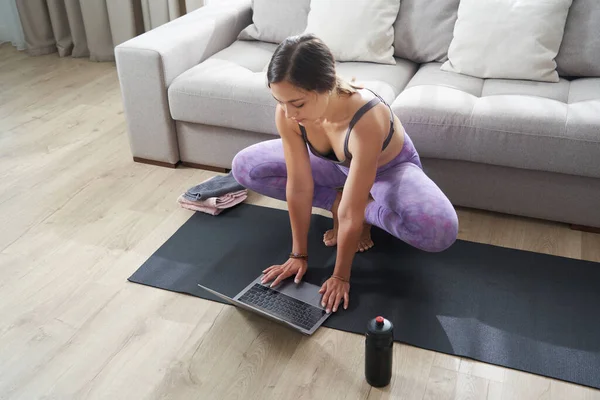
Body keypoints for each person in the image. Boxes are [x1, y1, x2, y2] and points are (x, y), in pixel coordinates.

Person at [231, 33, 458, 314]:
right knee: (245, 167)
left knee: (439, 231)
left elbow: (350, 213)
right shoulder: (288, 114)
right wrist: (298, 255)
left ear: (326, 87)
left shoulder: (366, 118)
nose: (289, 113)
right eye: (281, 101)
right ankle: (336, 199)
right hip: (335, 167)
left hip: (388, 171)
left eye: (298, 104)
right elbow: (300, 185)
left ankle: (367, 208)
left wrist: (340, 276)